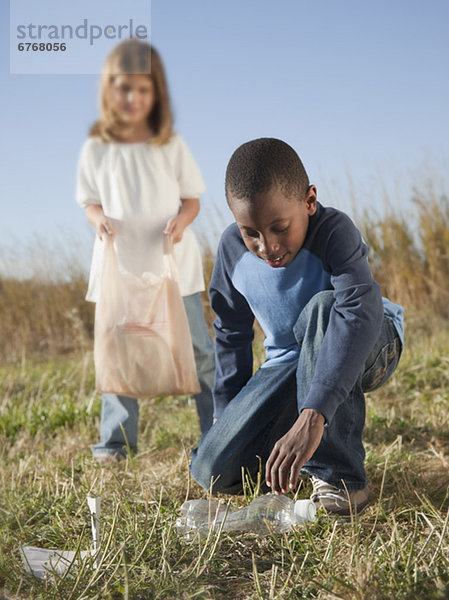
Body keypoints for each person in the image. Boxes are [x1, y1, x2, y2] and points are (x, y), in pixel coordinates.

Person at [190, 138, 404, 515]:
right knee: (210, 469)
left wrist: (313, 415)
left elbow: (357, 313)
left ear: (309, 201)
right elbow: (231, 333)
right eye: (250, 232)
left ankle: (340, 478)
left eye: (279, 227)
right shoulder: (230, 252)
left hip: (369, 343)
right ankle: (295, 458)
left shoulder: (334, 230)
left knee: (323, 309)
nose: (267, 246)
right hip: (289, 362)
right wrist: (230, 414)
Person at [76, 39, 215, 462]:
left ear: (156, 93)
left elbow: (192, 198)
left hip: (173, 268)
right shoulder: (97, 148)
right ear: (109, 90)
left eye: (143, 89)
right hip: (119, 268)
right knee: (120, 354)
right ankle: (115, 443)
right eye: (123, 88)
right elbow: (89, 201)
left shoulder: (169, 144)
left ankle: (216, 434)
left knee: (200, 352)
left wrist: (181, 222)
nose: (133, 98)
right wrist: (98, 219)